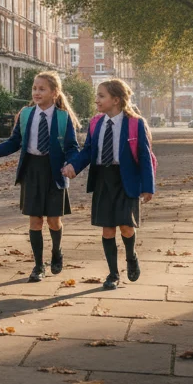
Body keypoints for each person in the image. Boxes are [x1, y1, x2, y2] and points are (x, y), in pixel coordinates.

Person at [62, 79, 155, 290]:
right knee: (107, 230)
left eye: (101, 96)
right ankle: (113, 273)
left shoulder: (135, 123)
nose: (97, 99)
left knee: (126, 227)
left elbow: (144, 155)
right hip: (103, 179)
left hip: (126, 179)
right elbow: (88, 151)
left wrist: (148, 186)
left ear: (116, 99)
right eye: (97, 95)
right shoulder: (96, 122)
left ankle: (131, 257)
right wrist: (73, 166)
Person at [0, 72, 78, 282]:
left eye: (42, 89)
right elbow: (15, 141)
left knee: (54, 221)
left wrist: (73, 163)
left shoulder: (63, 117)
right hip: (32, 170)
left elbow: (72, 146)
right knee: (35, 220)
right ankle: (38, 265)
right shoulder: (26, 114)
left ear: (54, 93)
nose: (36, 92)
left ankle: (57, 252)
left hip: (55, 171)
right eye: (34, 88)